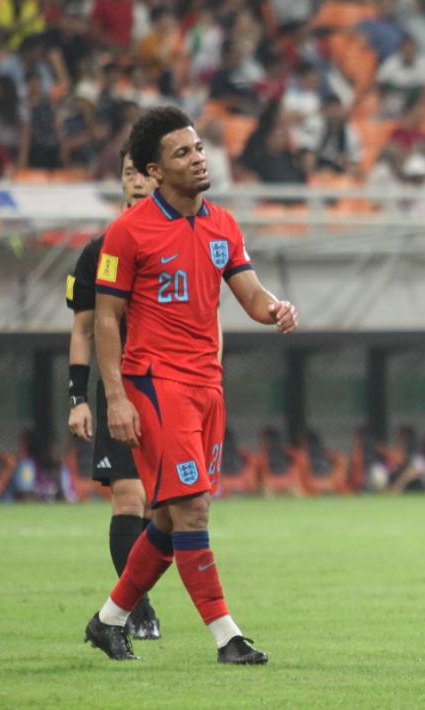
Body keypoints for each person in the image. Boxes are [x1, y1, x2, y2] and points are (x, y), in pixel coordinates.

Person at [85, 106, 298, 665]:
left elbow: (250, 297)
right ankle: (228, 637)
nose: (198, 159)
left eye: (199, 148)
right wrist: (115, 397)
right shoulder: (127, 233)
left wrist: (276, 308)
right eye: (182, 153)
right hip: (156, 384)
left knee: (166, 518)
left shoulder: (223, 224)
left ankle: (108, 621)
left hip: (207, 385)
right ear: (154, 172)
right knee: (193, 510)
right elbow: (106, 319)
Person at [66, 145, 162, 641]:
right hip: (118, 390)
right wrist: (78, 397)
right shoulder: (98, 249)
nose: (137, 182)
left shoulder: (179, 244)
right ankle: (136, 610)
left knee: (162, 509)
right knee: (129, 498)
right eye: (129, 174)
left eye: (145, 174)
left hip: (169, 389)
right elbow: (84, 328)